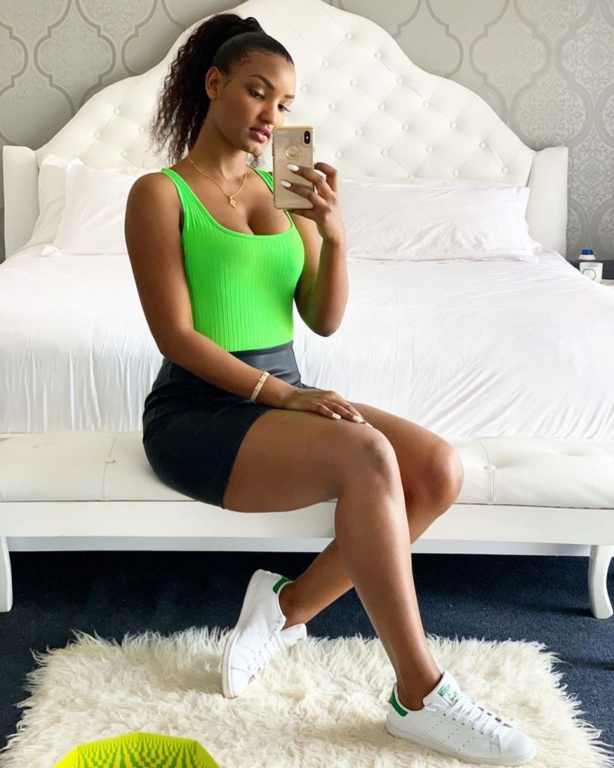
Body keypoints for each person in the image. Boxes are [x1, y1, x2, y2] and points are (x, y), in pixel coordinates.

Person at [125, 12, 536, 766]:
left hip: (283, 389)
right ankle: (419, 694)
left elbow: (323, 316)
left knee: (436, 469)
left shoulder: (285, 180)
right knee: (369, 456)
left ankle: (285, 608)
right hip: (198, 411)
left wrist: (336, 234)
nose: (271, 115)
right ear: (214, 84)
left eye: (285, 103)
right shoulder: (160, 193)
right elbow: (176, 336)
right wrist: (283, 397)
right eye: (256, 92)